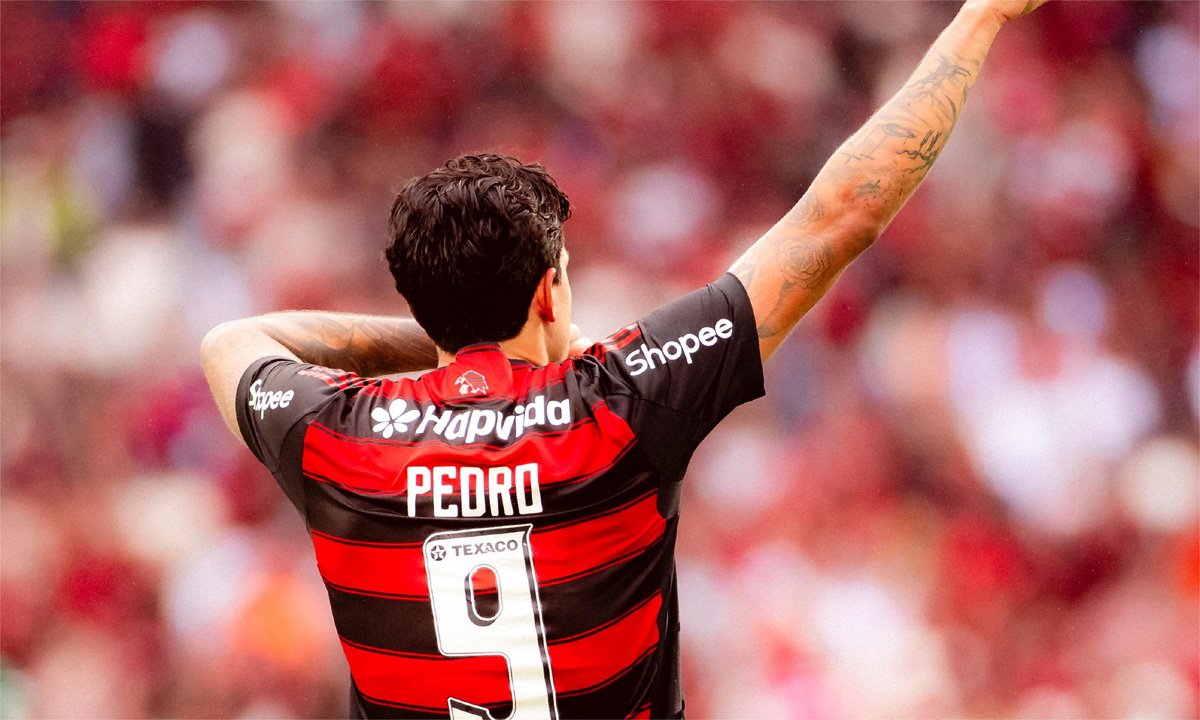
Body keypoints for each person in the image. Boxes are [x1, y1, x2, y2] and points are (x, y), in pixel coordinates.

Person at [201, 1, 1046, 717]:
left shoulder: (336, 434)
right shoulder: (619, 400)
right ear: (547, 295)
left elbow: (233, 343)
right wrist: (985, 15)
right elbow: (840, 217)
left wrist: (442, 343)